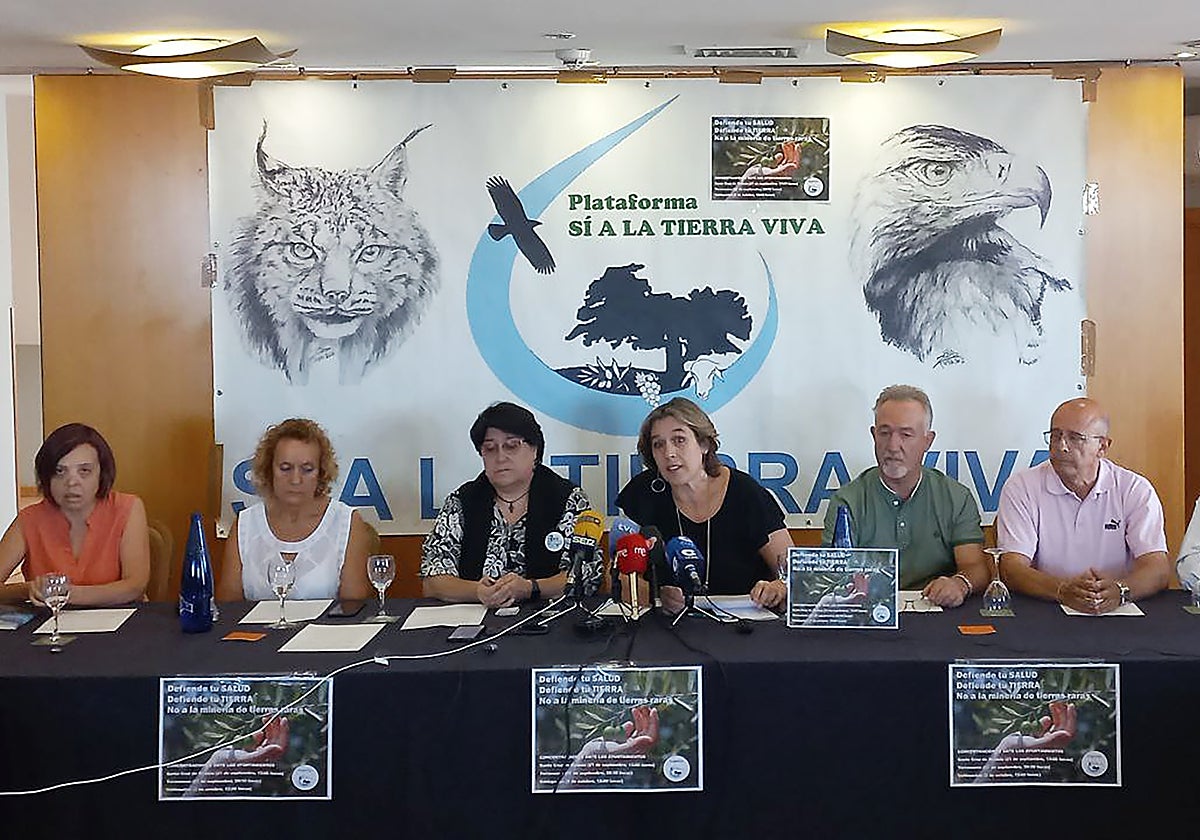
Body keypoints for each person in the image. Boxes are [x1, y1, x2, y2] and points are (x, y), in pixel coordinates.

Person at [616, 397, 792, 611]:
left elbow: (794, 574)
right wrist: (655, 595)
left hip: (743, 622)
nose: (669, 453)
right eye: (658, 444)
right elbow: (619, 576)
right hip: (666, 624)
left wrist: (777, 588)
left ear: (704, 444)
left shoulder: (745, 493)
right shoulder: (642, 493)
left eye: (679, 440)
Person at [997, 397, 1170, 613]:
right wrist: (1062, 590)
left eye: (1075, 438)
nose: (1061, 446)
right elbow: (1011, 568)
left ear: (1102, 446)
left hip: (1118, 609)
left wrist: (1121, 591)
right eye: (1056, 436)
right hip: (1045, 607)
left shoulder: (1134, 489)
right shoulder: (1022, 487)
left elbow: (1158, 568)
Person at [822, 385, 989, 607]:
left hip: (936, 609)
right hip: (868, 612)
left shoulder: (956, 497)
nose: (893, 446)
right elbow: (831, 576)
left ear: (928, 441)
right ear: (874, 435)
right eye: (885, 433)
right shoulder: (847, 502)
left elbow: (976, 567)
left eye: (906, 434)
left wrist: (959, 584)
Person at [421, 402, 597, 606]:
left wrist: (531, 588)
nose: (500, 457)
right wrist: (477, 592)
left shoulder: (568, 499)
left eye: (511, 446)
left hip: (546, 617)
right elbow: (432, 581)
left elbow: (586, 574)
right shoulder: (462, 501)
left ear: (534, 449)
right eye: (490, 448)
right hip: (476, 616)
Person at [217, 418, 374, 602]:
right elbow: (228, 608)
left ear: (321, 473)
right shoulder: (245, 524)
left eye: (307, 469)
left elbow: (353, 609)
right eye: (285, 468)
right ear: (269, 470)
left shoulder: (347, 523)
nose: (295, 480)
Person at [0, 423, 150, 606]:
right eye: (59, 471)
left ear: (101, 473)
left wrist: (66, 594)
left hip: (122, 618)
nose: (72, 482)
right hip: (53, 621)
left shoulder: (128, 508)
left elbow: (135, 586)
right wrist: (28, 589)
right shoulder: (30, 519)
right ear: (46, 476)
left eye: (84, 471)